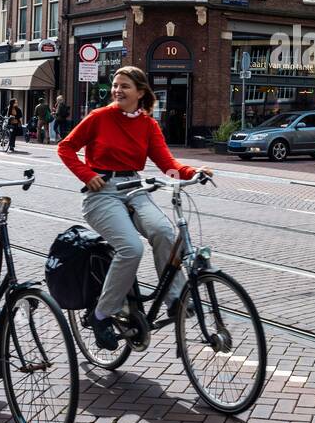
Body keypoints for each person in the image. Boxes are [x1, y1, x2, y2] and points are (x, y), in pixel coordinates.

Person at [57, 66, 212, 350]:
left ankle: (174, 300)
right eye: (115, 85)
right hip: (102, 193)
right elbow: (66, 147)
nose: (117, 90)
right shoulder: (99, 117)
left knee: (165, 232)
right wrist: (87, 175)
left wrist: (193, 172)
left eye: (125, 86)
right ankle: (101, 314)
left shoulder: (148, 125)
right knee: (131, 248)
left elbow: (168, 165)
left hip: (136, 189)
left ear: (140, 92)